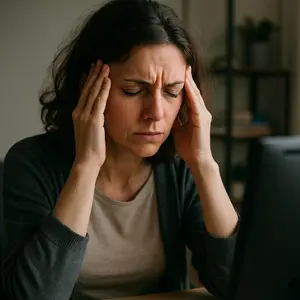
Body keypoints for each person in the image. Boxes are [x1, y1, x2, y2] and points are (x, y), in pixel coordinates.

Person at [1, 0, 239, 299]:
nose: (155, 112)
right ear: (89, 87)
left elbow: (238, 285)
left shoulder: (178, 170)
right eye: (133, 90)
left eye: (172, 92)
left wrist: (204, 164)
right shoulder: (30, 164)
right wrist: (86, 166)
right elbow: (35, 295)